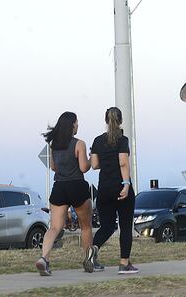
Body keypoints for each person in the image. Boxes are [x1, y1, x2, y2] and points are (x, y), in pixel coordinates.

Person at [36, 111, 96, 276]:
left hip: (59, 187)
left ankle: (44, 258)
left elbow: (54, 167)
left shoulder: (53, 145)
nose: (78, 125)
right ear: (71, 125)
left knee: (54, 227)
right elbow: (84, 168)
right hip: (77, 186)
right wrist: (91, 159)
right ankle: (88, 260)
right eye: (77, 122)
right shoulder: (79, 144)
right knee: (85, 226)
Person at [90, 107, 139, 274]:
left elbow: (95, 164)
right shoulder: (122, 140)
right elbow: (123, 162)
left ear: (106, 121)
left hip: (104, 188)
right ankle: (124, 264)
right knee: (125, 226)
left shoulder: (97, 141)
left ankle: (93, 249)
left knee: (107, 226)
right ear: (121, 121)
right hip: (120, 188)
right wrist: (126, 185)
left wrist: (107, 160)